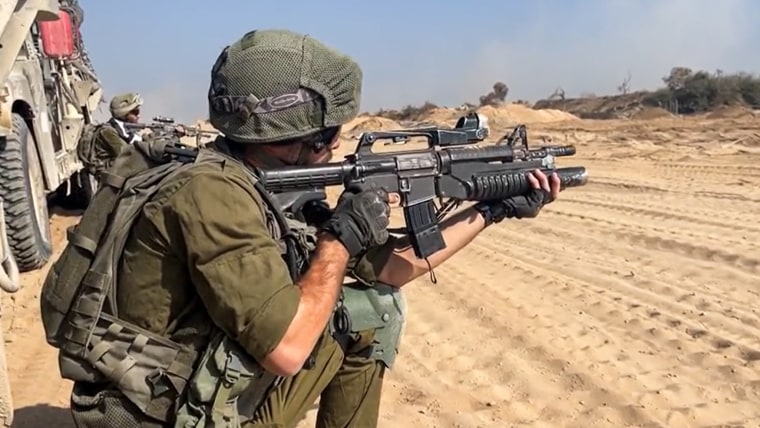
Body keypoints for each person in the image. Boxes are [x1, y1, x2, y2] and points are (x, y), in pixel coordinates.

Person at [66, 29, 561, 428]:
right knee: (371, 316)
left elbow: (393, 269)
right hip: (159, 412)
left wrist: (494, 209)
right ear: (288, 134)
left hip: (173, 382)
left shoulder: (248, 177)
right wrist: (339, 238)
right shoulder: (210, 194)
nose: (334, 144)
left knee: (377, 299)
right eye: (328, 133)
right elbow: (287, 349)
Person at [78, 92, 186, 180]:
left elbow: (139, 142)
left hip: (122, 171)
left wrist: (169, 135)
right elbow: (128, 154)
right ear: (124, 113)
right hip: (112, 175)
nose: (139, 115)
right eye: (135, 112)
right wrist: (154, 138)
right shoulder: (107, 132)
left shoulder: (126, 130)